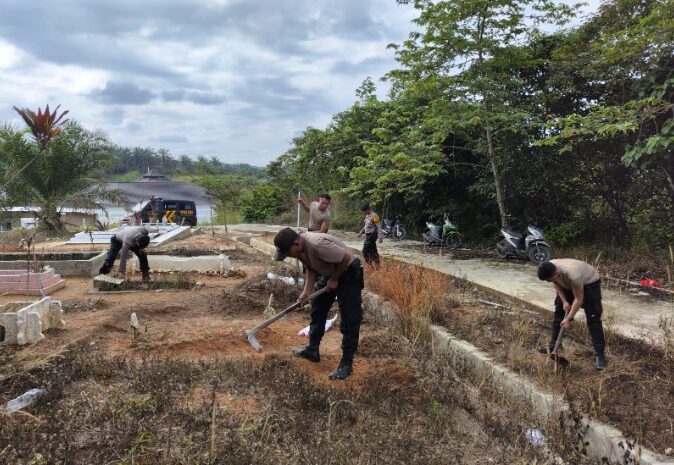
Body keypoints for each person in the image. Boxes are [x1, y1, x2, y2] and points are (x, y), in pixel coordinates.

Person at [273, 227, 364, 380]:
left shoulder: (317, 244)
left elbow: (346, 257)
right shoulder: (299, 250)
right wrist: (306, 292)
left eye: (288, 253)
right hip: (329, 272)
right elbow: (310, 268)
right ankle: (312, 349)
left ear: (296, 243)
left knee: (349, 318)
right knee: (318, 309)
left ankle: (346, 364)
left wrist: (334, 279)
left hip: (348, 271)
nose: (290, 256)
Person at [537, 259, 607, 371]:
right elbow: (555, 283)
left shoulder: (573, 276)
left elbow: (579, 299)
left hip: (589, 283)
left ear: (556, 273)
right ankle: (554, 345)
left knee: (593, 318)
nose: (548, 282)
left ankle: (600, 355)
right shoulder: (550, 266)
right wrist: (564, 301)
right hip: (567, 281)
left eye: (549, 280)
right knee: (559, 311)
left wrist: (569, 318)